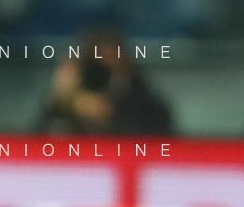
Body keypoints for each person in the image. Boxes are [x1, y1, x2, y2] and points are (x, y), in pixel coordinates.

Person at [39, 29, 174, 136]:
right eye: (96, 65)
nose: (102, 74)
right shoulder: (69, 106)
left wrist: (110, 115)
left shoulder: (149, 108)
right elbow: (38, 147)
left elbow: (155, 146)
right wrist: (63, 103)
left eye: (112, 62)